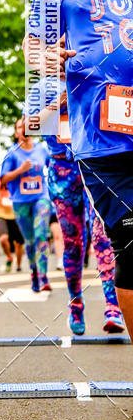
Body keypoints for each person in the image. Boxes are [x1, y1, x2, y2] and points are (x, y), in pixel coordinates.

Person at [24, 0, 133, 341]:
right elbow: (33, 47)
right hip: (102, 140)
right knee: (127, 247)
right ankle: (83, 302)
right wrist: (44, 56)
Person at [25, 77, 124, 334]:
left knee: (103, 236)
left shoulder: (94, 73)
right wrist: (60, 102)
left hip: (96, 163)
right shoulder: (41, 87)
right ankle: (75, 302)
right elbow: (29, 125)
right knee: (73, 241)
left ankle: (112, 306)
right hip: (62, 169)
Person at [0, 117, 52, 292]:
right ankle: (34, 272)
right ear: (16, 133)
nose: (24, 129)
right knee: (29, 241)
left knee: (41, 234)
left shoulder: (42, 149)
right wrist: (20, 170)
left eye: (27, 126)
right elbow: (3, 179)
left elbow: (53, 167)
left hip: (41, 198)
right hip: (21, 202)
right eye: (20, 127)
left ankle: (44, 276)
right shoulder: (12, 153)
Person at [0, 175, 24, 272]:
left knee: (19, 243)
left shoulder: (17, 178)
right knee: (3, 239)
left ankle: (18, 265)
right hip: (2, 215)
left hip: (16, 215)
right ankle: (9, 257)